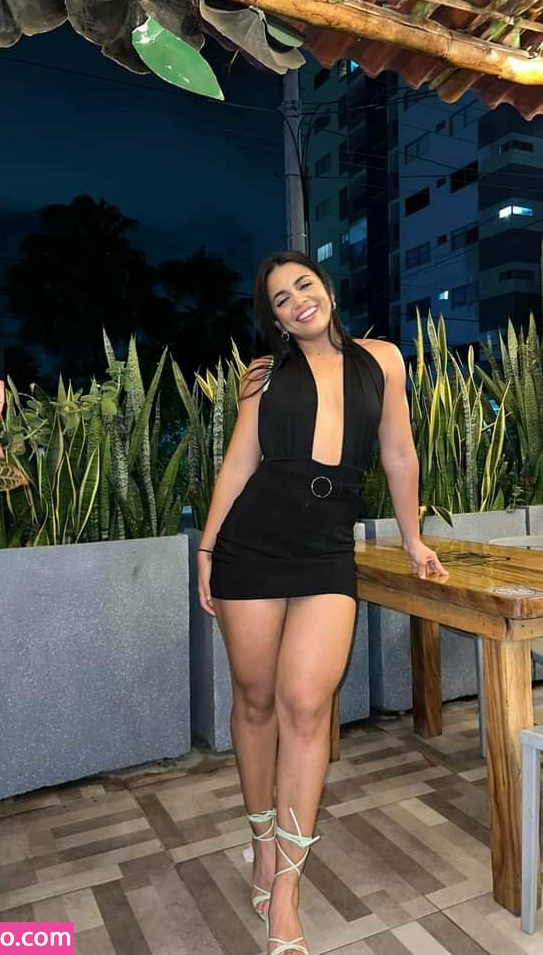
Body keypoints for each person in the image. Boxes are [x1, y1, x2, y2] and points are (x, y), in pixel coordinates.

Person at [196, 251, 447, 955]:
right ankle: (260, 843)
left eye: (303, 285)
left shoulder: (383, 360)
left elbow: (399, 453)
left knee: (306, 704)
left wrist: (413, 539)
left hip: (327, 548)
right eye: (280, 299)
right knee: (254, 701)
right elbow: (239, 460)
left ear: (327, 288)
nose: (296, 300)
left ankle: (287, 890)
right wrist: (207, 548)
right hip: (253, 542)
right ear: (275, 319)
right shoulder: (263, 375)